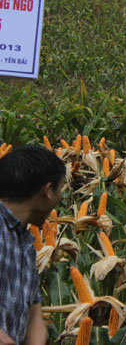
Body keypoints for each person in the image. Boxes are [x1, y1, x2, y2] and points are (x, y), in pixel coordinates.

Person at [0, 145, 66, 345]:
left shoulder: (26, 244)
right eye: (61, 188)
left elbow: (34, 313)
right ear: (47, 190)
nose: (60, 197)